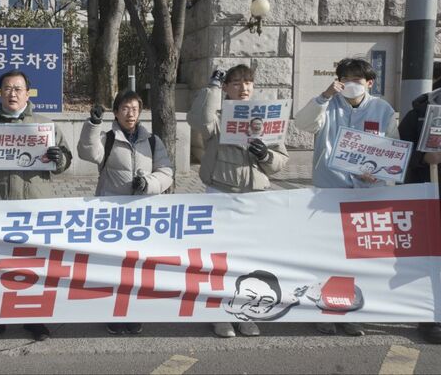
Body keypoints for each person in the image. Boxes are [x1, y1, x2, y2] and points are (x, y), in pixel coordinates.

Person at [0, 69, 72, 346]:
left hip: (34, 207)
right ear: (0, 93)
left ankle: (34, 318)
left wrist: (60, 158)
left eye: (18, 88)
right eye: (7, 88)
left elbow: (65, 159)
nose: (13, 93)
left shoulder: (45, 125)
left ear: (28, 94)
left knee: (33, 264)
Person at [295, 57, 398, 337]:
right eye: (345, 79)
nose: (351, 84)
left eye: (357, 79)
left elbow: (393, 151)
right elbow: (303, 124)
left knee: (358, 256)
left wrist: (379, 174)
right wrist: (324, 96)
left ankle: (352, 311)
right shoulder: (328, 105)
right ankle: (325, 309)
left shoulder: (383, 109)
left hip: (366, 195)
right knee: (327, 253)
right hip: (329, 192)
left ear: (370, 83)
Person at [187, 64, 288, 338]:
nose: (243, 88)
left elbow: (280, 160)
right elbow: (198, 119)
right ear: (226, 88)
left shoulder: (265, 118)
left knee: (248, 259)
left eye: (248, 83)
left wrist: (266, 155)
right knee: (219, 258)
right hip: (220, 192)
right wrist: (212, 87)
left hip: (255, 196)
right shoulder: (217, 117)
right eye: (236, 83)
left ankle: (246, 313)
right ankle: (219, 315)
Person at [77, 89, 173, 335]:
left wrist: (148, 183)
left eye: (135, 109)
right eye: (125, 108)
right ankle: (113, 313)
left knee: (139, 267)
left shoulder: (152, 141)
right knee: (114, 267)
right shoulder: (107, 139)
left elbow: (166, 172)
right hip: (112, 215)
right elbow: (87, 152)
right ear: (116, 112)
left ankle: (135, 312)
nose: (130, 114)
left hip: (142, 215)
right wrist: (93, 125)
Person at [397, 75, 441, 344]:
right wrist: (423, 158)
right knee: (429, 258)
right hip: (428, 197)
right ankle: (431, 316)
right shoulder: (420, 114)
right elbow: (397, 152)